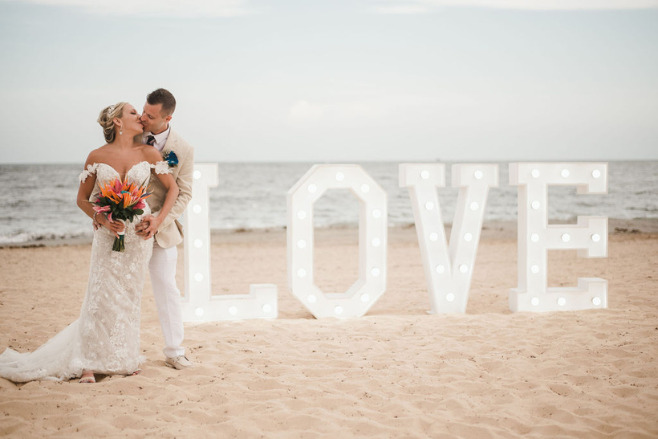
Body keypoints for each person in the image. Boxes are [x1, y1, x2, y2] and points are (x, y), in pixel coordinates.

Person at [0, 102, 179, 383]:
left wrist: (156, 220)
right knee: (100, 295)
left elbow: (173, 189)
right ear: (118, 122)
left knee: (130, 296)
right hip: (107, 234)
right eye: (133, 113)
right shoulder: (96, 156)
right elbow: (82, 199)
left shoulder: (149, 152)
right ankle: (88, 364)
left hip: (137, 236)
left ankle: (125, 357)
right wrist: (102, 218)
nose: (140, 117)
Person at [134, 88, 194, 370]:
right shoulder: (130, 137)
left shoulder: (183, 149)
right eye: (143, 111)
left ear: (167, 117)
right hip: (128, 226)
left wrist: (158, 221)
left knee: (167, 288)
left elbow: (183, 194)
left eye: (151, 115)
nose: (143, 117)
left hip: (162, 230)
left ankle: (174, 351)